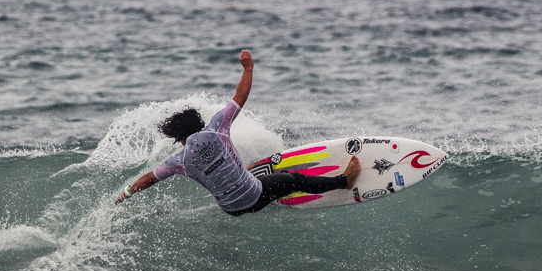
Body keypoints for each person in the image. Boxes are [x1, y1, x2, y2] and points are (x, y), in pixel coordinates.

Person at [115, 50, 360, 215]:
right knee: (293, 180)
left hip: (231, 209)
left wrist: (126, 193)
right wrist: (248, 68)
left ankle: (269, 188)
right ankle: (343, 181)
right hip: (254, 195)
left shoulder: (179, 161)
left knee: (266, 179)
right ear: (198, 124)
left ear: (179, 137)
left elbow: (149, 178)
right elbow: (241, 96)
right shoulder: (216, 129)